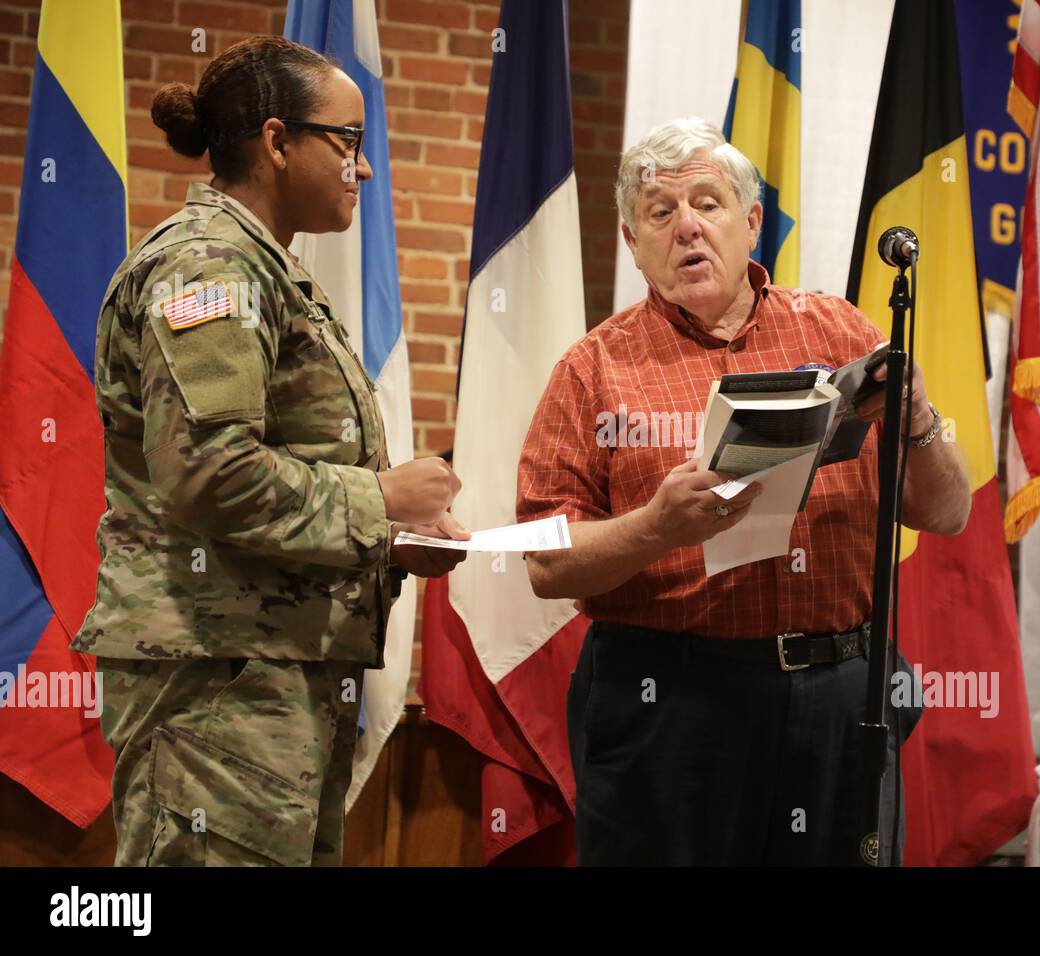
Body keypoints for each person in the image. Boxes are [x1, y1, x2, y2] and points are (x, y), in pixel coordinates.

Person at [517, 118, 972, 866]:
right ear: (633, 244)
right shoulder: (591, 370)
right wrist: (658, 528)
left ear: (752, 221)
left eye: (709, 203)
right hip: (670, 708)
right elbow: (546, 564)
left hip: (840, 699)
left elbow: (947, 511)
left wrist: (917, 413)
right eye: (661, 214)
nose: (687, 227)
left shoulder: (839, 328)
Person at [73, 36, 465, 867]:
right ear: (278, 142)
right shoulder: (208, 268)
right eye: (348, 143)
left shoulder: (265, 269)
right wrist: (382, 502)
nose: (363, 171)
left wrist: (387, 541)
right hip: (216, 685)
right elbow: (213, 474)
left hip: (273, 673)